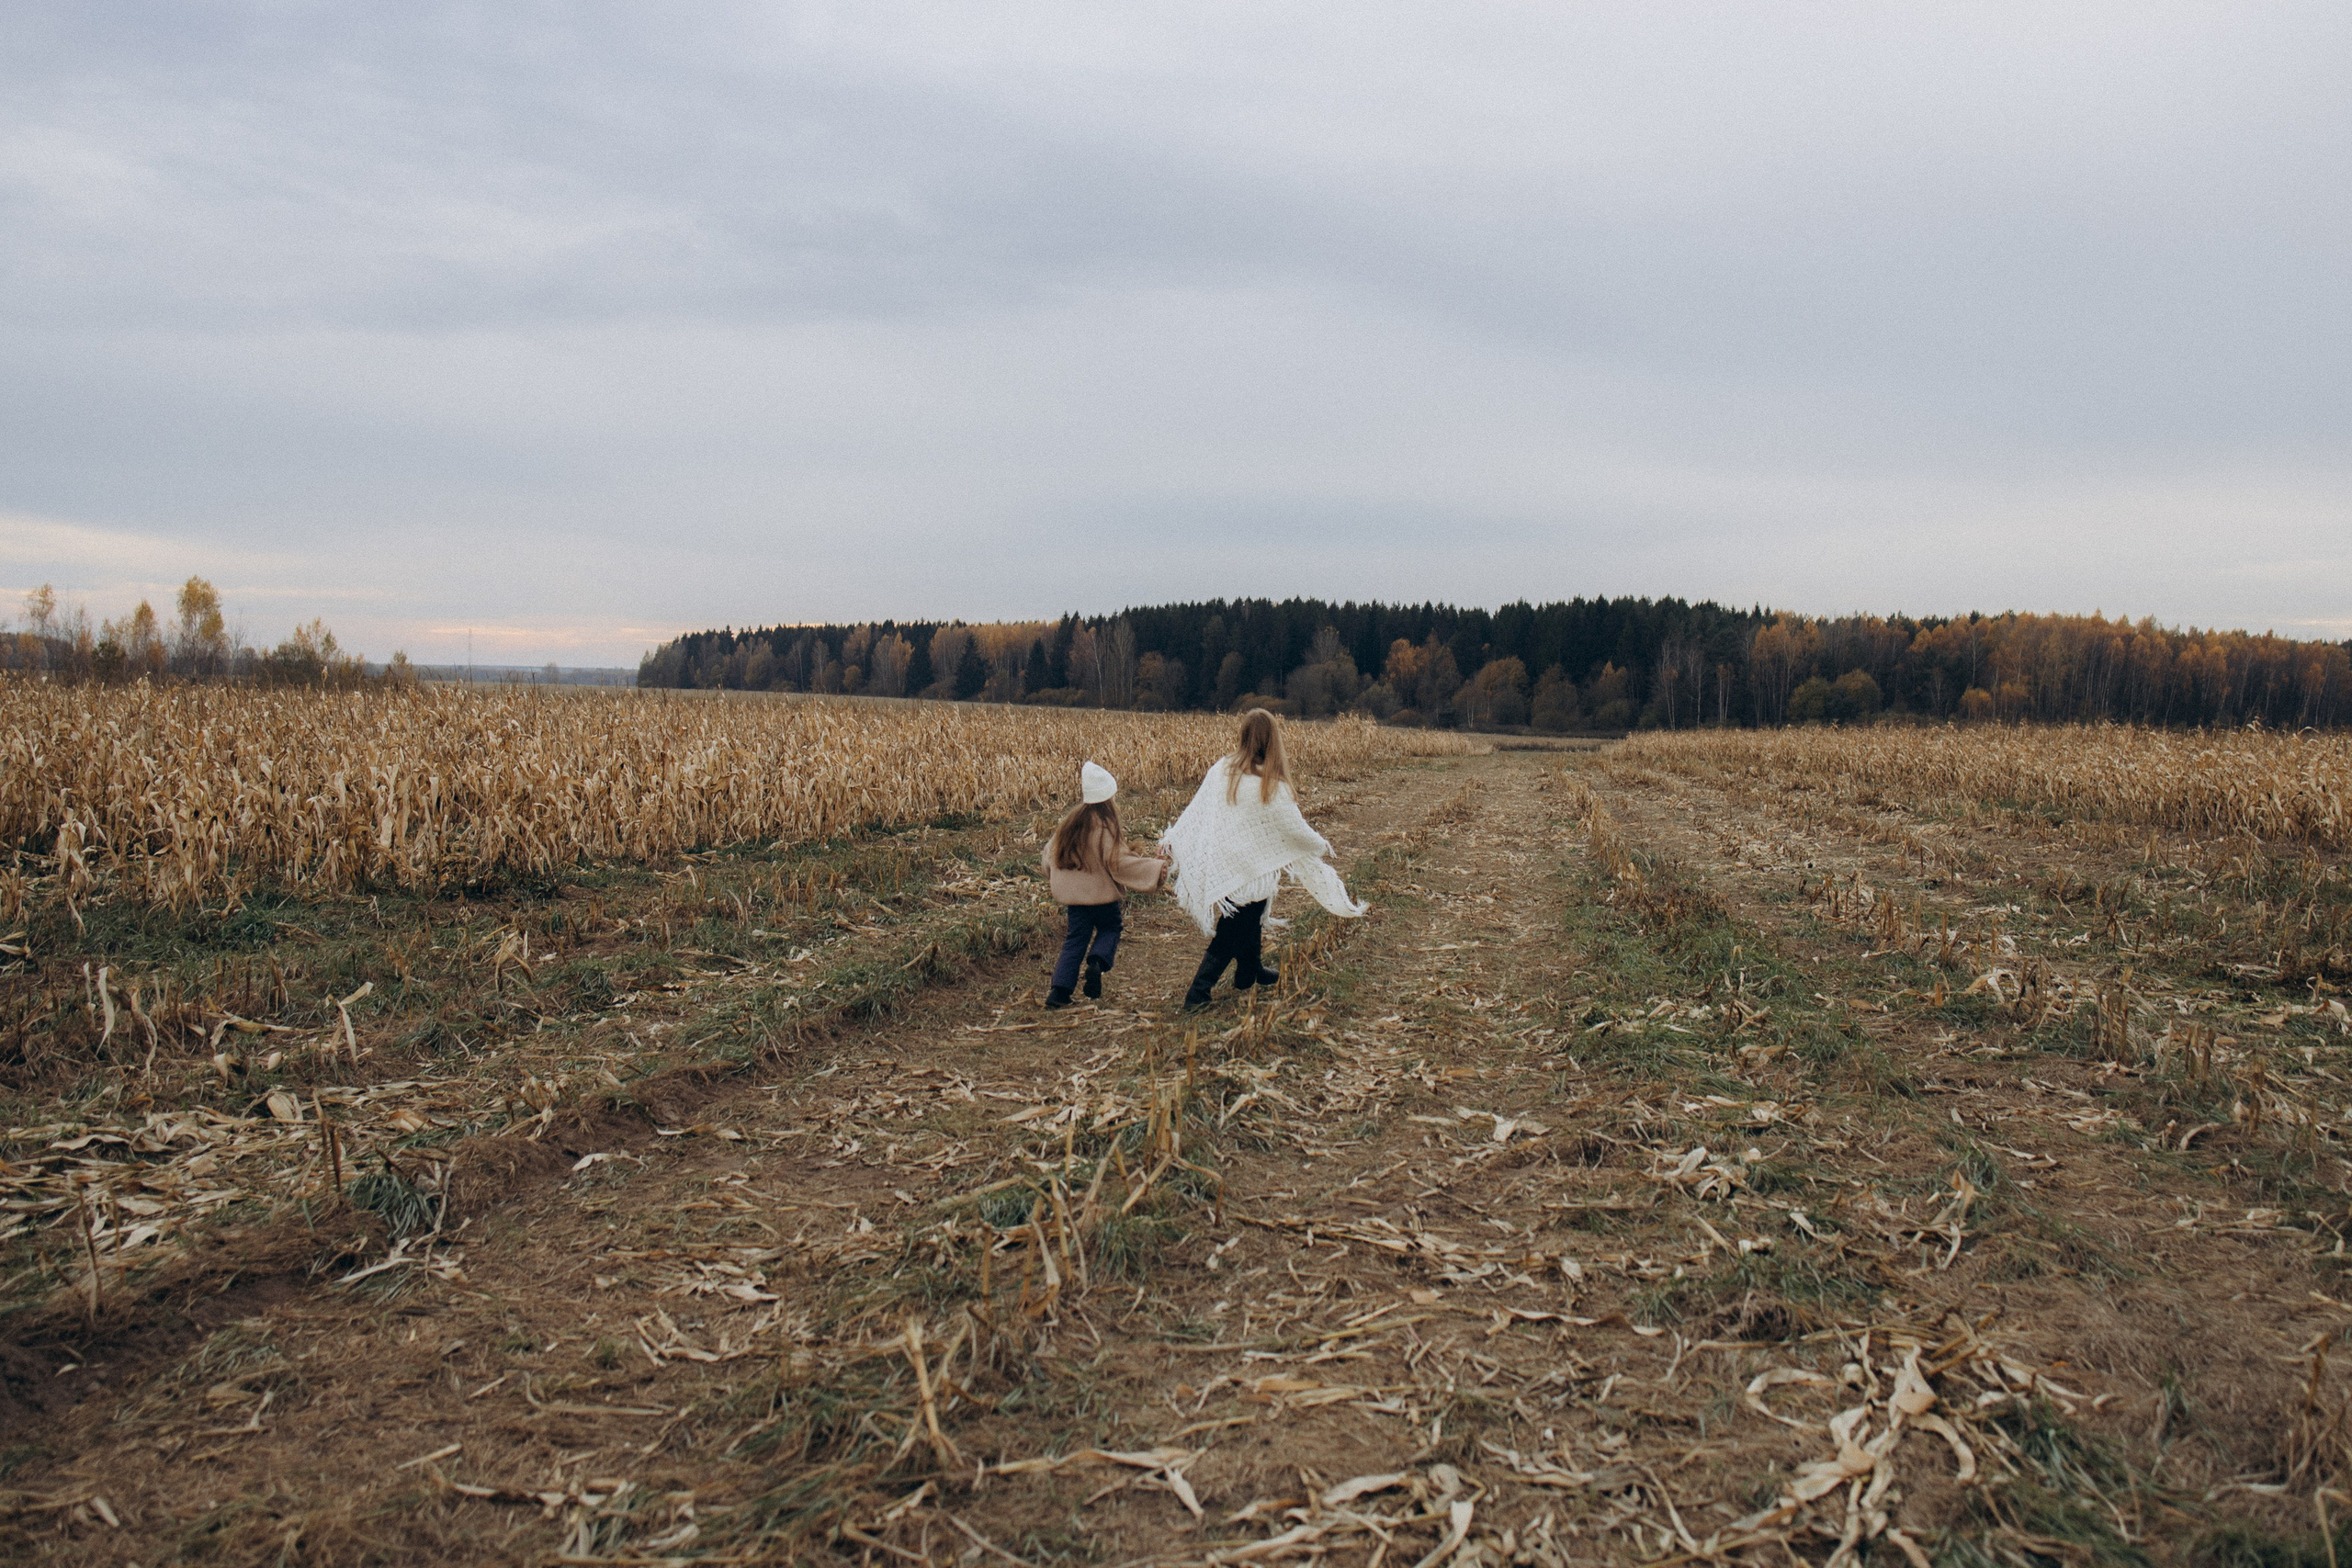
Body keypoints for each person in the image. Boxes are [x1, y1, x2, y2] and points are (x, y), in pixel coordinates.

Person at [1159, 709, 1366, 1010]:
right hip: (1248, 873)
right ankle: (1198, 993)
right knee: (1232, 929)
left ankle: (1249, 971)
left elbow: (1195, 811)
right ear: (1273, 741)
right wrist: (1318, 845)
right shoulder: (1271, 783)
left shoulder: (1222, 770)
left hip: (1232, 864)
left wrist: (1173, 840)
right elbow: (1293, 828)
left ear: (1244, 736)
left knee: (1250, 919)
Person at [1041, 761, 1168, 1009]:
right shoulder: (1106, 826)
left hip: (1075, 901)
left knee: (1075, 939)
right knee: (1111, 928)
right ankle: (1097, 963)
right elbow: (1118, 862)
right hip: (1103, 899)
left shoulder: (1068, 824)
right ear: (1108, 796)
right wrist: (1155, 869)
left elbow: (1049, 855)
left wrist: (1053, 875)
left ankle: (1058, 992)